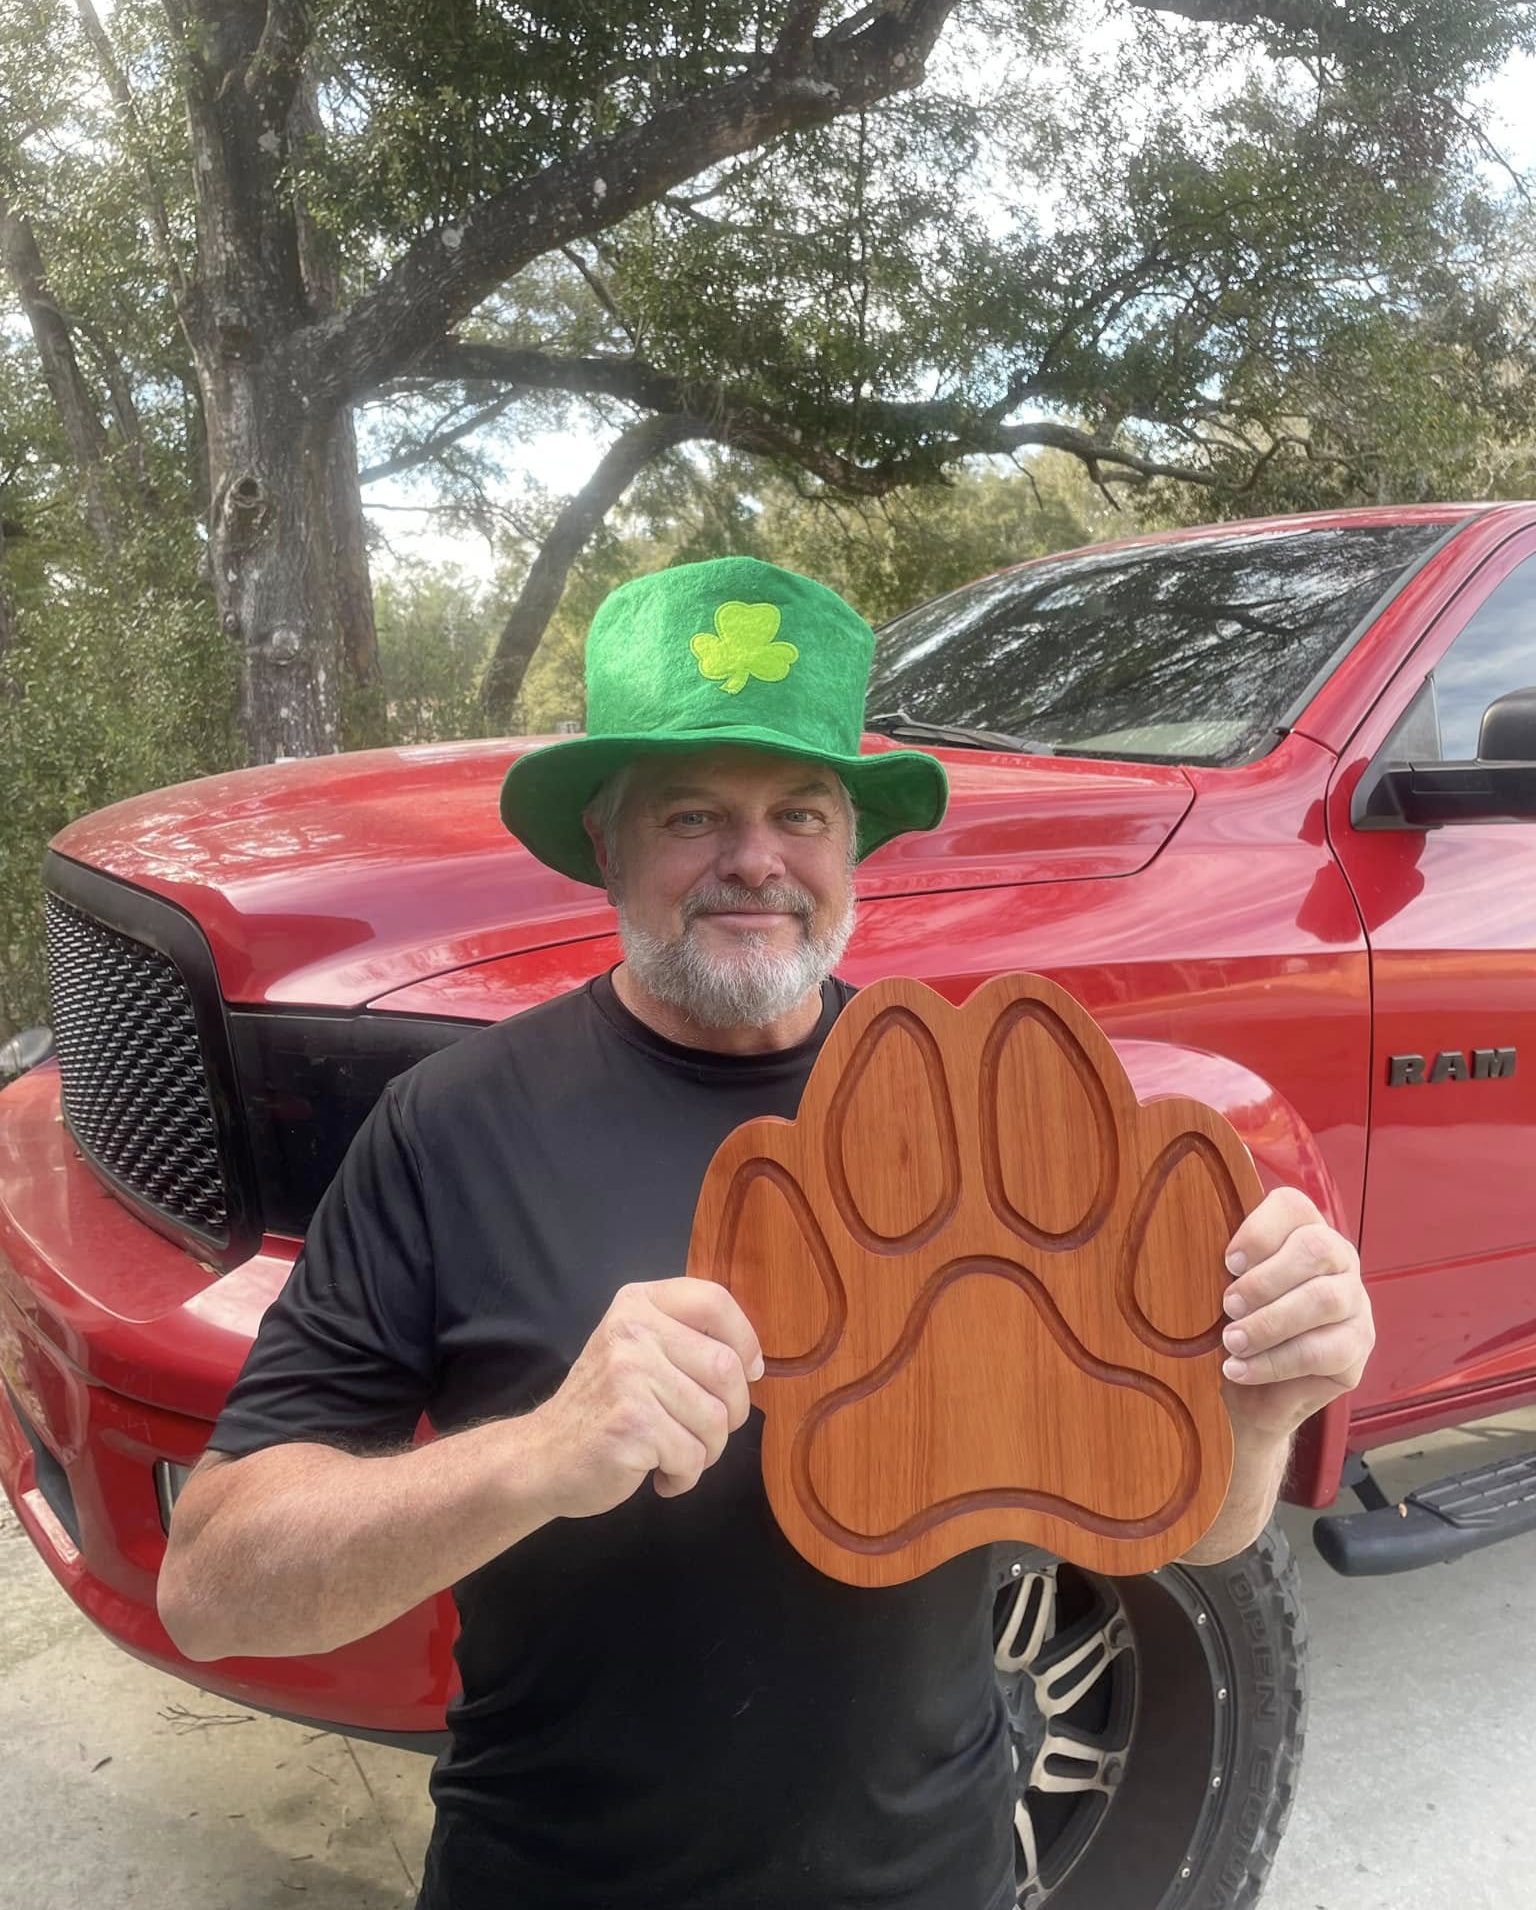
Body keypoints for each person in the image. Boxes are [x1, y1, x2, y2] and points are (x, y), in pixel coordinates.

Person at [157, 556, 1375, 1910]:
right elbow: (217, 1590)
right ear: (607, 846)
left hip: (939, 1880)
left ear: (851, 848)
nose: (756, 859)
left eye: (801, 810)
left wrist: (1259, 1407)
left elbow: (1183, 1525)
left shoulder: (977, 1117)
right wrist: (541, 1455)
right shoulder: (452, 1129)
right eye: (693, 815)